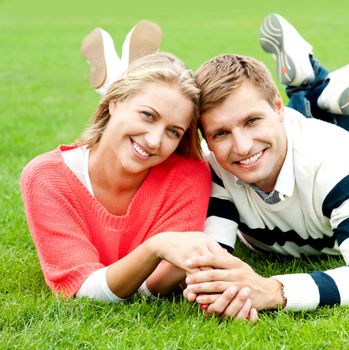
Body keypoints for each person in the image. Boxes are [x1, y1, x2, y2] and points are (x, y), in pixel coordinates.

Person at [182, 13, 349, 317]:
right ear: (206, 137)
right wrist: (221, 290)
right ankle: (315, 92)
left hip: (336, 163)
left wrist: (276, 291)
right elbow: (213, 261)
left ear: (277, 106)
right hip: (298, 148)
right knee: (269, 145)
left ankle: (311, 88)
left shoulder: (335, 159)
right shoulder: (214, 165)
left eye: (252, 120)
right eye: (221, 133)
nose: (241, 146)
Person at [19, 24, 224, 304]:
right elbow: (82, 290)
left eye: (173, 131)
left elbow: (157, 284)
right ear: (113, 103)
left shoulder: (187, 173)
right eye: (148, 115)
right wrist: (155, 248)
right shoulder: (46, 177)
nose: (154, 141)